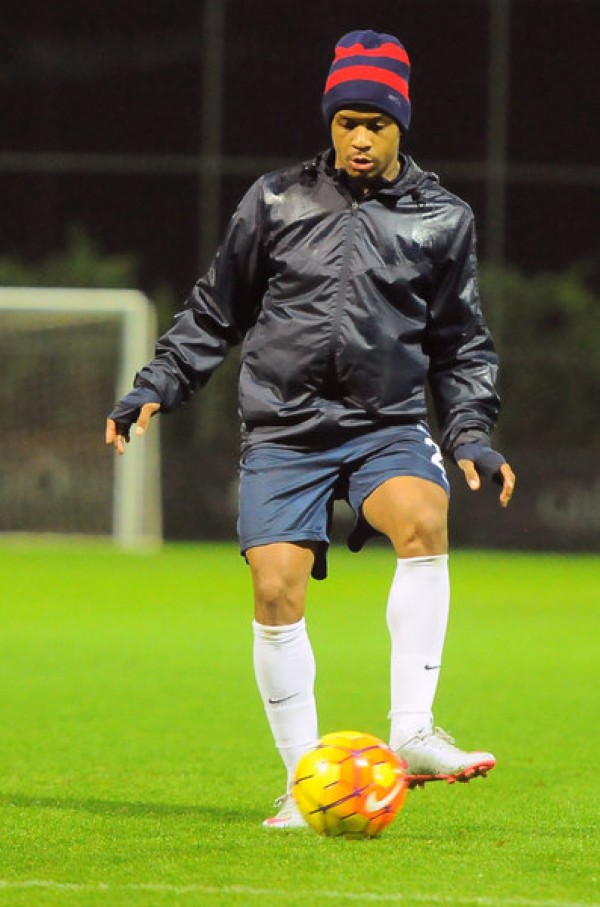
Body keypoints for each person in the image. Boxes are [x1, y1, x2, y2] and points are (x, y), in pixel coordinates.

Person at [106, 29, 516, 829]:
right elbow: (216, 308)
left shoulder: (443, 217)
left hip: (384, 421)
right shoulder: (275, 199)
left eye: (376, 124)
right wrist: (156, 385)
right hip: (285, 427)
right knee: (274, 588)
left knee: (423, 515)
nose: (359, 137)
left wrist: (469, 433)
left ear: (401, 125)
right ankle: (305, 786)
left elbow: (461, 342)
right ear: (330, 122)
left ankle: (413, 729)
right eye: (346, 121)